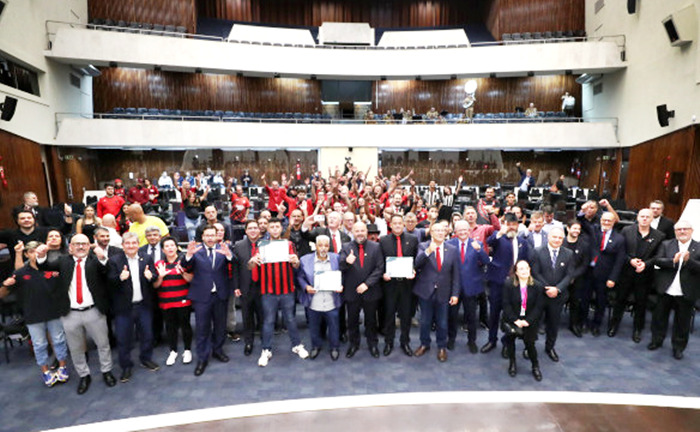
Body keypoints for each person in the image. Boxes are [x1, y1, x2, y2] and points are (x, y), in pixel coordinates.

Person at [36, 234, 116, 395]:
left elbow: (106, 271)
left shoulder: (96, 260)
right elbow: (45, 266)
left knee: (103, 344)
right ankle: (84, 375)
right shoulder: (63, 261)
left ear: (89, 246)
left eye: (84, 244)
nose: (80, 247)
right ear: (70, 247)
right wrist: (41, 255)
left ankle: (106, 371)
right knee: (76, 348)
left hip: (94, 311)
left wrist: (102, 258)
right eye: (77, 244)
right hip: (70, 314)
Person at [0, 241, 70, 387]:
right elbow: (2, 294)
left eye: (37, 251)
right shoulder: (19, 273)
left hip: (54, 312)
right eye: (31, 252)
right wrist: (6, 285)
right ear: (26, 254)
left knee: (59, 341)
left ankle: (63, 367)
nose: (35, 254)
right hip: (33, 316)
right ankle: (45, 372)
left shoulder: (53, 268)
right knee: (39, 345)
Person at [249, 218, 308, 367]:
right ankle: (266, 349)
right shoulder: (261, 245)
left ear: (281, 229)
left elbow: (296, 266)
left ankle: (297, 345)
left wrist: (296, 261)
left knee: (290, 319)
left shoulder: (289, 244)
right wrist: (252, 261)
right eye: (272, 227)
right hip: (268, 291)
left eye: (277, 226)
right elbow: (251, 267)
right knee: (268, 321)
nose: (275, 229)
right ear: (267, 229)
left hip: (287, 289)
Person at [107, 232, 159, 383]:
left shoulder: (146, 258)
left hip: (143, 306)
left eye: (134, 243)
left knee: (147, 335)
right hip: (124, 308)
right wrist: (119, 278)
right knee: (124, 339)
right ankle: (126, 366)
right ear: (122, 245)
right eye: (127, 244)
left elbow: (154, 276)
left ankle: (146, 358)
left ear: (138, 244)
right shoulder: (114, 261)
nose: (131, 246)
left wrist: (152, 277)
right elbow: (109, 283)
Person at [181, 226, 233, 376]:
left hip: (220, 295)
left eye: (213, 235)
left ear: (217, 236)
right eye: (207, 235)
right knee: (202, 328)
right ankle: (202, 358)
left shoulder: (224, 248)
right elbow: (185, 266)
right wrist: (188, 255)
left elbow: (234, 263)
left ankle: (217, 350)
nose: (210, 238)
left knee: (220, 325)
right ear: (202, 237)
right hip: (201, 296)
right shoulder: (195, 251)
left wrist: (229, 255)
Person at [609, 208, 665, 342]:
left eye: (647, 217)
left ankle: (638, 330)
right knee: (620, 300)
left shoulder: (659, 235)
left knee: (641, 304)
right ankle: (614, 325)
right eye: (642, 216)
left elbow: (659, 256)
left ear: (652, 219)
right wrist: (630, 260)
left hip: (645, 275)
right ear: (637, 218)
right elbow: (621, 251)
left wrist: (645, 264)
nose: (644, 219)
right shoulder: (626, 231)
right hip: (626, 273)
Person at [648, 220, 699, 360]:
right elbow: (658, 260)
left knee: (682, 323)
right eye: (679, 230)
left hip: (686, 291)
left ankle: (678, 347)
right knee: (659, 318)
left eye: (685, 229)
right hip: (666, 289)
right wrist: (673, 261)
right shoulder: (666, 244)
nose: (682, 232)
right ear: (675, 232)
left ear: (691, 230)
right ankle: (656, 341)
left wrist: (690, 261)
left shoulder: (698, 247)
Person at [412, 222, 460, 362]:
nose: (440, 233)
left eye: (442, 230)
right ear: (431, 233)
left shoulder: (452, 249)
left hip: (444, 292)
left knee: (442, 322)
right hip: (425, 290)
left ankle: (441, 347)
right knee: (425, 321)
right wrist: (428, 252)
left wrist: (455, 293)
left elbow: (456, 274)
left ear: (446, 233)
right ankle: (424, 344)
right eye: (436, 230)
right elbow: (416, 263)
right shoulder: (423, 246)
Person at [483, 213, 529, 355]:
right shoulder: (498, 238)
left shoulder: (523, 242)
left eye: (514, 224)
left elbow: (525, 262)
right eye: (508, 224)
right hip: (497, 281)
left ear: (518, 225)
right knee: (494, 313)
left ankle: (506, 342)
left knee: (511, 315)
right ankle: (491, 340)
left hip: (515, 284)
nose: (511, 227)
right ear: (504, 224)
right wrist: (499, 233)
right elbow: (489, 242)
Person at [339, 221, 384, 359]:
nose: (360, 233)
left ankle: (373, 344)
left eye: (362, 230)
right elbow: (340, 266)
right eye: (357, 231)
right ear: (352, 232)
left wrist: (367, 284)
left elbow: (380, 268)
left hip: (370, 290)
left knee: (371, 320)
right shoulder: (346, 247)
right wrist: (347, 261)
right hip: (352, 292)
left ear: (367, 232)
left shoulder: (376, 247)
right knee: (352, 320)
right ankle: (354, 344)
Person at [530, 227, 574, 362]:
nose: (557, 240)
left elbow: (569, 275)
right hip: (540, 295)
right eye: (554, 237)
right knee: (534, 324)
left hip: (558, 296)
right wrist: (547, 288)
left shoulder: (569, 253)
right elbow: (535, 273)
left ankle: (550, 347)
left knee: (553, 324)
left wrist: (557, 289)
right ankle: (529, 348)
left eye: (560, 238)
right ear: (549, 237)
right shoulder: (537, 251)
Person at [579, 211, 626, 336]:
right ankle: (583, 322)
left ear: (613, 222)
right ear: (600, 221)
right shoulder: (594, 230)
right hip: (588, 272)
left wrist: (613, 278)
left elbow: (619, 261)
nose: (606, 223)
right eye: (603, 220)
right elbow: (582, 220)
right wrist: (584, 210)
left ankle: (596, 325)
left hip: (605, 276)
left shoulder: (619, 238)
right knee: (585, 299)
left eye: (609, 221)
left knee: (601, 302)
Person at [297, 235, 342, 361]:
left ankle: (334, 348)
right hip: (314, 300)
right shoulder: (305, 260)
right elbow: (300, 277)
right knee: (314, 326)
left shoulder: (336, 258)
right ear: (315, 246)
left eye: (326, 245)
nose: (323, 248)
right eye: (320, 245)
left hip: (331, 300)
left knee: (334, 326)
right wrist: (306, 287)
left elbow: (342, 274)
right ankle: (315, 346)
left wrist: (340, 285)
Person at [446, 220, 489, 354]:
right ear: (455, 232)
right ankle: (451, 339)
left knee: (471, 317)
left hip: (471, 287)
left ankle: (472, 341)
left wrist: (480, 250)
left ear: (469, 231)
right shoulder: (449, 244)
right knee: (452, 316)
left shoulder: (477, 244)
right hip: (454, 288)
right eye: (460, 230)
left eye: (465, 230)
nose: (463, 232)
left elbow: (486, 261)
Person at [379, 214, 419, 357]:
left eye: (399, 223)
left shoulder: (413, 239)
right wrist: (383, 273)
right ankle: (389, 342)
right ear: (390, 225)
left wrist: (413, 269)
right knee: (389, 314)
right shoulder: (383, 241)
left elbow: (416, 259)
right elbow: (380, 262)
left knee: (406, 315)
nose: (397, 225)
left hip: (407, 284)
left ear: (403, 224)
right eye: (394, 223)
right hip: (390, 284)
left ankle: (405, 342)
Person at [153, 236, 193, 366]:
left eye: (172, 245)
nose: (170, 248)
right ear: (163, 250)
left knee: (185, 325)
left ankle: (187, 350)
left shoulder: (183, 261)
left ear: (176, 247)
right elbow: (155, 285)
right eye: (167, 246)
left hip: (183, 300)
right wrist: (160, 276)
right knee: (170, 327)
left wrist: (182, 273)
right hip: (166, 301)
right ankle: (173, 351)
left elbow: (190, 280)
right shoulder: (159, 264)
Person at [502, 260, 544, 381]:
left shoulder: (537, 286)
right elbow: (506, 304)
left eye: (526, 268)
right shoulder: (509, 284)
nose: (524, 271)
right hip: (512, 319)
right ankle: (512, 363)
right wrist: (515, 320)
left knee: (530, 345)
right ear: (516, 272)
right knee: (510, 342)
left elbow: (538, 307)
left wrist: (528, 321)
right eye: (521, 269)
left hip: (529, 320)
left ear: (530, 270)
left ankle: (535, 366)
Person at [232, 220, 263, 357]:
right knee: (247, 316)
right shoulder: (238, 245)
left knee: (263, 316)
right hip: (245, 287)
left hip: (263, 286)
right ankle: (248, 342)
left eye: (255, 228)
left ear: (259, 230)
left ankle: (265, 343)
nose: (253, 230)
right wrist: (236, 286)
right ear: (245, 231)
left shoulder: (266, 244)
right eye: (250, 228)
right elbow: (235, 269)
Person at [562, 220, 590, 337]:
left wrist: (573, 276)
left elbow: (585, 264)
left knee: (575, 302)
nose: (577, 231)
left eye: (578, 229)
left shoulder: (584, 244)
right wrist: (566, 277)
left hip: (577, 279)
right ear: (568, 229)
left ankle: (573, 324)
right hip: (561, 277)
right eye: (574, 228)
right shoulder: (561, 242)